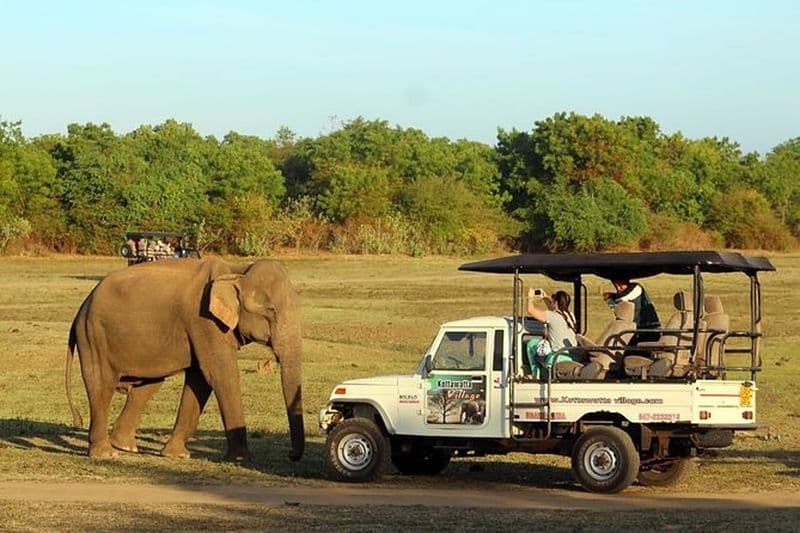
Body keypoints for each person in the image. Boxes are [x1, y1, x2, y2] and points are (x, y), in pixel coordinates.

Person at [526, 288, 578, 378]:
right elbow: (554, 309)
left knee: (531, 344)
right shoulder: (570, 316)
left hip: (557, 358)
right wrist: (545, 298)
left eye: (553, 300)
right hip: (573, 357)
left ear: (556, 303)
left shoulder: (551, 316)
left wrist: (530, 298)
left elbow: (530, 310)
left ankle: (535, 374)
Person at [603, 279, 660, 344]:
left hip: (645, 335)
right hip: (644, 334)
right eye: (615, 286)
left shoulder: (634, 293)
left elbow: (621, 303)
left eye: (620, 285)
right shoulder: (637, 290)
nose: (618, 289)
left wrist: (610, 300)